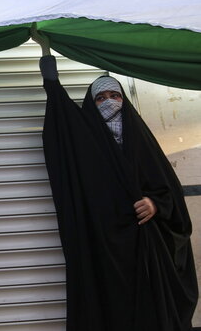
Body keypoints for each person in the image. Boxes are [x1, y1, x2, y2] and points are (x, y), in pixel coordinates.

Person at [33, 29, 198, 331]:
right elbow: (59, 109)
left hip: (145, 247)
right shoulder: (85, 137)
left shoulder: (142, 141)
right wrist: (47, 63)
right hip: (102, 246)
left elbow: (169, 191)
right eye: (100, 97)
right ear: (91, 104)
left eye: (115, 95)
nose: (109, 102)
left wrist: (154, 204)